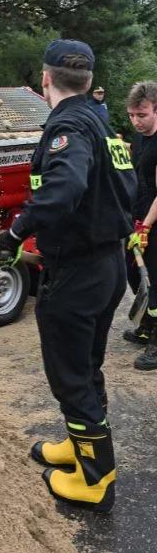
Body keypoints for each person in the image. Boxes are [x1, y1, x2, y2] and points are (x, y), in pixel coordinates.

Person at [0, 39, 135, 512]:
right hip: (107, 263)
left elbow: (65, 187)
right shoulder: (100, 121)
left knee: (70, 376)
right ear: (89, 79)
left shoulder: (70, 122)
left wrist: (14, 234)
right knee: (86, 368)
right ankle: (80, 447)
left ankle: (96, 480)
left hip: (80, 272)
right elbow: (120, 189)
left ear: (45, 78)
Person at [123, 82, 157, 371]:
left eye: (142, 114)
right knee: (133, 273)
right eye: (132, 115)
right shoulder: (139, 138)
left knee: (156, 280)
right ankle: (146, 326)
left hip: (153, 221)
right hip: (136, 218)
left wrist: (145, 227)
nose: (137, 120)